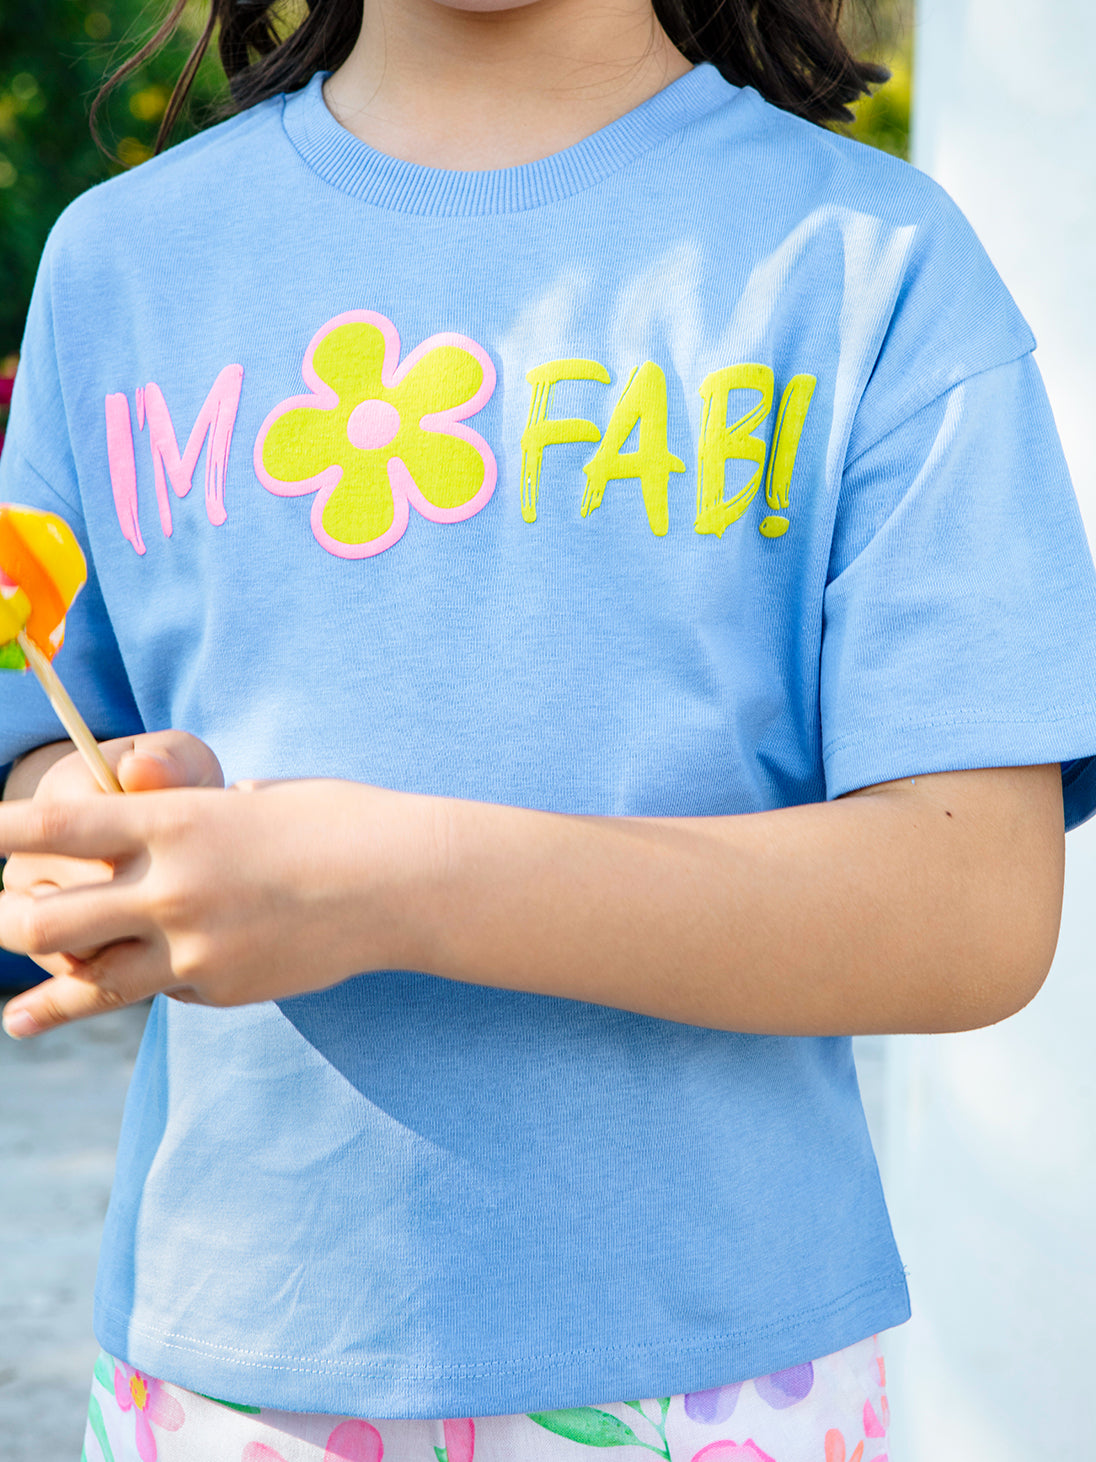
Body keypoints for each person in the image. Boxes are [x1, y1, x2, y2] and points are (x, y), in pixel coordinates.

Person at [2, 1, 1096, 1458]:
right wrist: (94, 827)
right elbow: (45, 752)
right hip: (225, 1369)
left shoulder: (873, 260)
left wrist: (381, 882)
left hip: (724, 1377)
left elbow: (976, 907)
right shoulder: (119, 264)